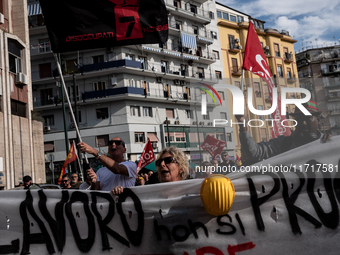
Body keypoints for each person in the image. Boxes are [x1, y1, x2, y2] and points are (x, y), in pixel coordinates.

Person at [236, 100, 331, 163]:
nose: (303, 123)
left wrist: (333, 143)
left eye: (307, 118)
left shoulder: (330, 143)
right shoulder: (284, 143)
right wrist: (242, 124)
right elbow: (254, 153)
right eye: (299, 119)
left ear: (318, 120)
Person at [112, 146, 189, 194]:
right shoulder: (152, 193)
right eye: (159, 162)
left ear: (181, 168)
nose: (162, 164)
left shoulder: (192, 192)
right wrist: (122, 194)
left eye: (168, 160)